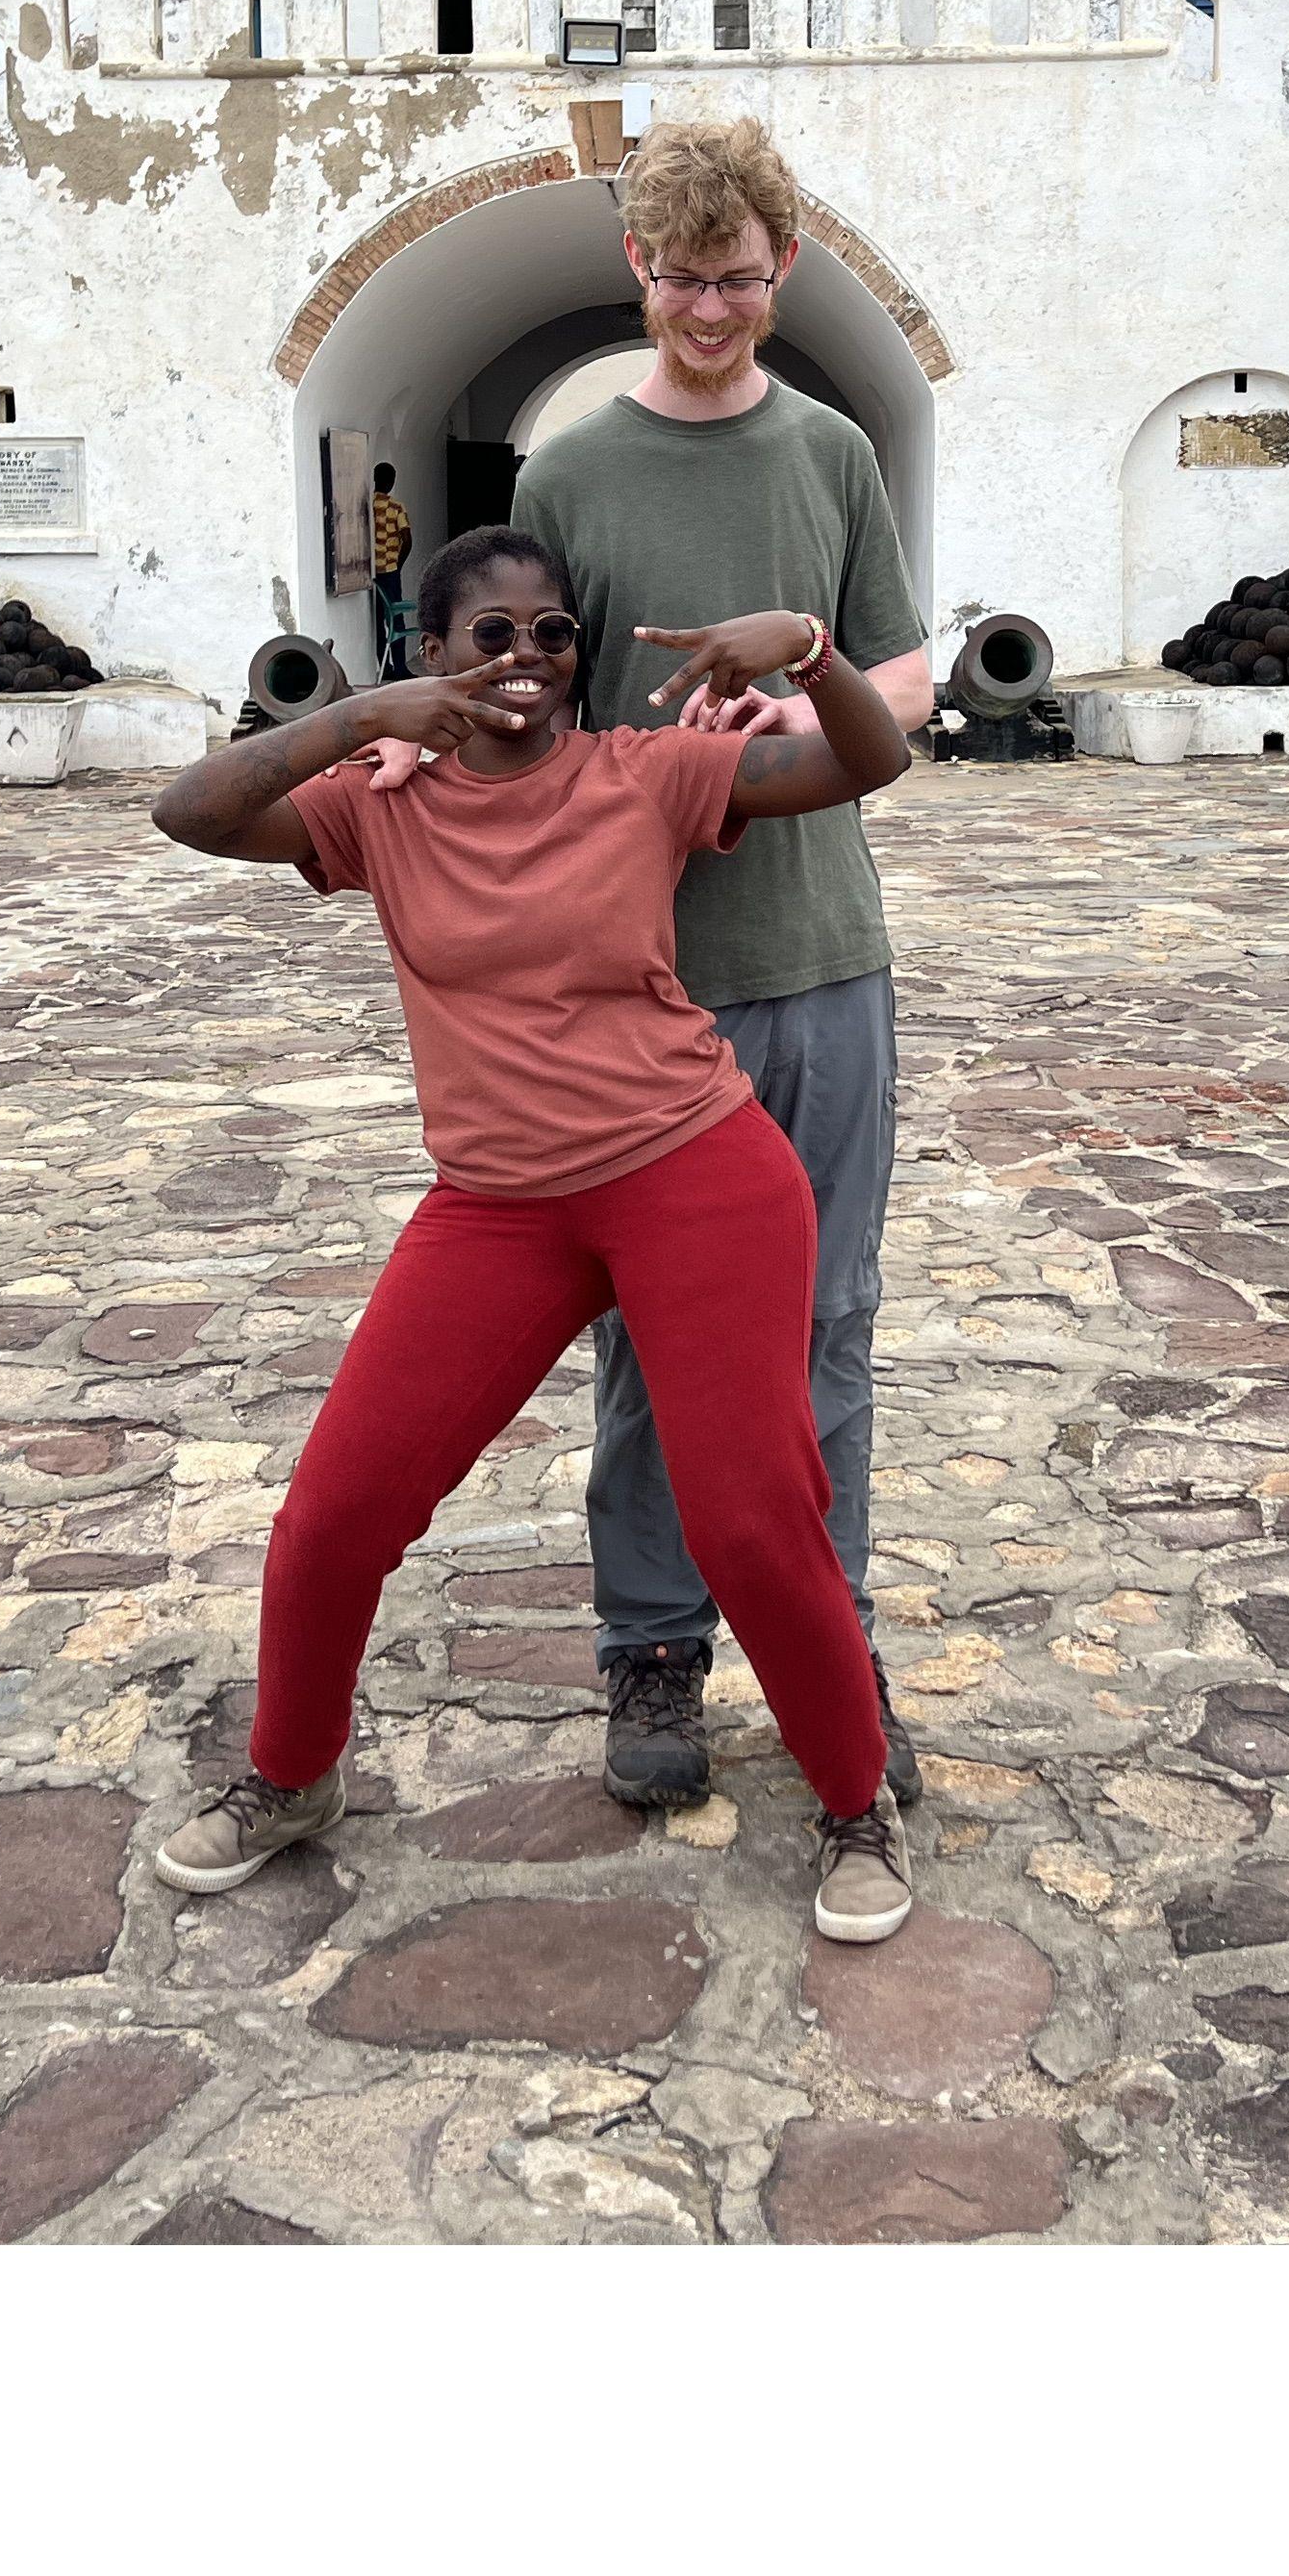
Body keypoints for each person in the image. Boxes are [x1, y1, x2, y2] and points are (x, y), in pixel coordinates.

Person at [139, 520, 922, 1945]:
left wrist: (808, 647)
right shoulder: (376, 806)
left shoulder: (644, 772)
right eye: (488, 634)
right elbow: (187, 813)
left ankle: (856, 1801)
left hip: (696, 1175)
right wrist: (361, 723)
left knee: (752, 1522)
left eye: (550, 633)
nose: (522, 659)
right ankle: (293, 1775)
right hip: (496, 1205)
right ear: (432, 652)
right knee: (335, 1515)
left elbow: (868, 763)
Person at [502, 118, 932, 1814]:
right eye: (681, 277)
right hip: (637, 975)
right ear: (638, 270)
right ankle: (653, 1639)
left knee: (826, 1322)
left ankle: (832, 1629)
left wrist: (809, 695)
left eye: (738, 279)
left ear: (786, 272)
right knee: (642, 1337)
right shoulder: (568, 476)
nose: (707, 308)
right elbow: (512, 709)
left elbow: (901, 685)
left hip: (818, 952)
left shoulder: (828, 455)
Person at [367, 459, 415, 678]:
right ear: (392, 481)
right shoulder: (396, 507)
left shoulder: (367, 506)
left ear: (375, 479)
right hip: (390, 571)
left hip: (371, 572)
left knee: (377, 623)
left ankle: (384, 668)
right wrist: (398, 564)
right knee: (396, 621)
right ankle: (400, 668)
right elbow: (407, 539)